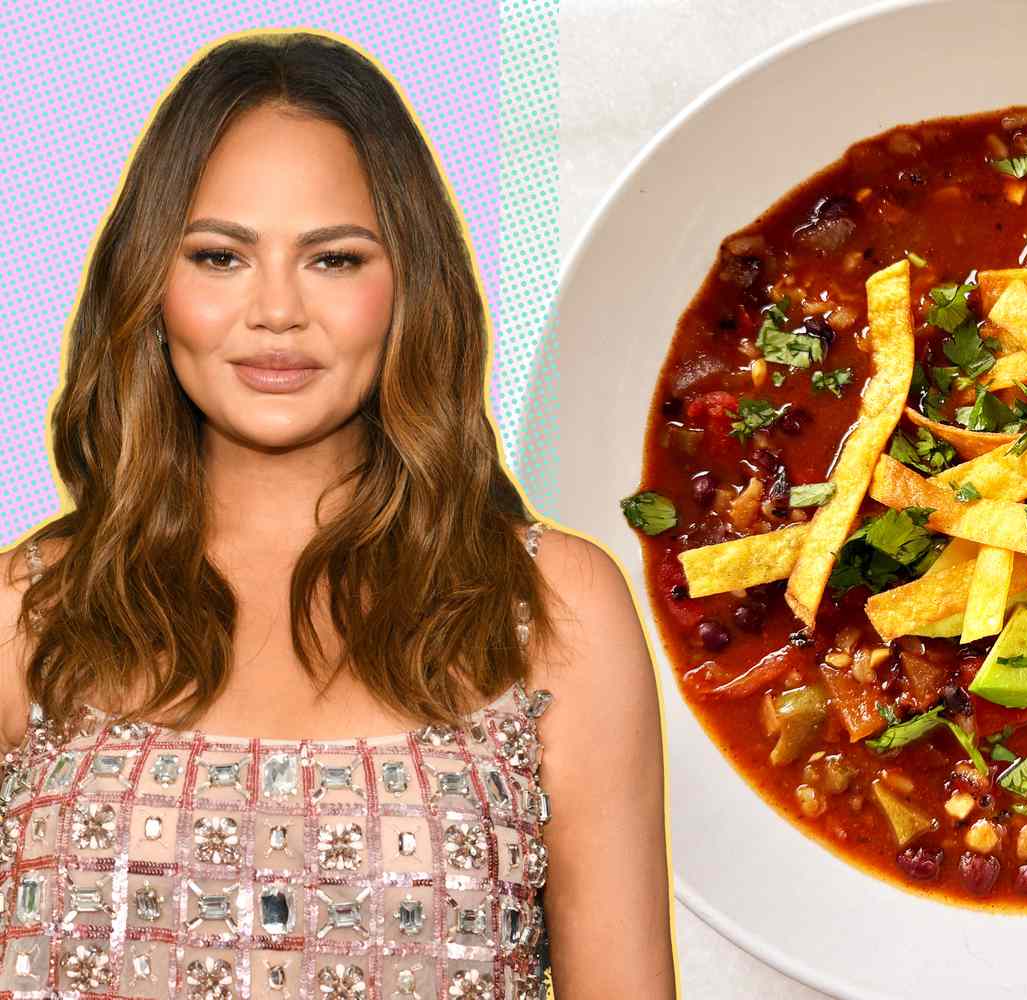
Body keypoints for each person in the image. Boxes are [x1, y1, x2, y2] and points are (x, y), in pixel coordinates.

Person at [0, 31, 674, 999]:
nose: (276, 310)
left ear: (410, 286)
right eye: (221, 255)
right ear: (152, 287)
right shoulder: (26, 613)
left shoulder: (549, 605)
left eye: (334, 259)